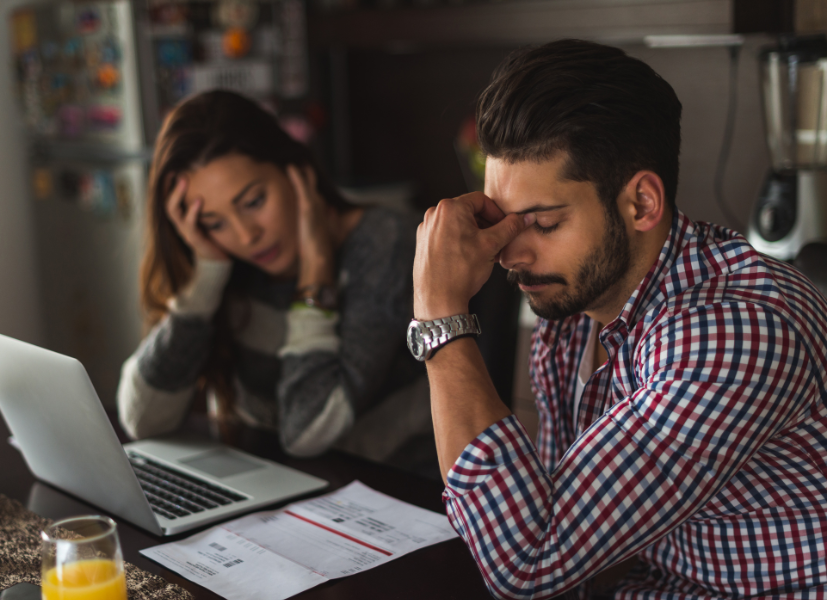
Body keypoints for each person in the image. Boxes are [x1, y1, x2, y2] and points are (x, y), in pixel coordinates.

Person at [411, 40, 827, 599]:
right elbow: (558, 528)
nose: (511, 254)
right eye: (503, 221)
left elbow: (529, 558)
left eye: (543, 223)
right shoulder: (568, 317)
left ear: (641, 205)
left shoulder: (732, 332)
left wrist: (441, 318)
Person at [118, 90, 430, 463]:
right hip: (273, 484)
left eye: (253, 202)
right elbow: (142, 420)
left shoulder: (384, 245)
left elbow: (307, 433)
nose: (246, 236)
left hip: (387, 492)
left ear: (295, 169)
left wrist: (316, 274)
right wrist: (206, 279)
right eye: (214, 223)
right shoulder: (228, 263)